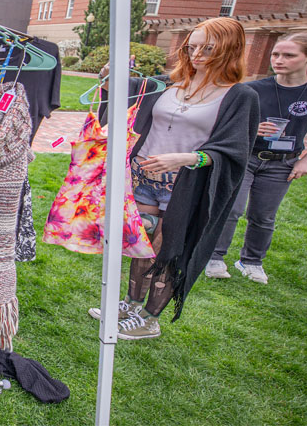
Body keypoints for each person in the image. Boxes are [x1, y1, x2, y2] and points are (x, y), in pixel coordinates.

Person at [89, 17, 258, 340]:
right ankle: (130, 304)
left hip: (184, 185)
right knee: (141, 247)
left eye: (207, 48)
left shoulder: (240, 96)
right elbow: (119, 95)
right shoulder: (166, 83)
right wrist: (108, 76)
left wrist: (186, 158)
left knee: (168, 250)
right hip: (144, 178)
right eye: (191, 47)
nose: (196, 55)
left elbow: (235, 150)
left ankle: (150, 318)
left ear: (229, 49)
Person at [207, 32, 307, 284]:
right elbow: (223, 123)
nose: (279, 60)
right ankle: (214, 257)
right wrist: (251, 128)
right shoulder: (251, 89)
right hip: (245, 157)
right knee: (231, 208)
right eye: (275, 54)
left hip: (283, 163)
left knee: (263, 216)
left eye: (288, 55)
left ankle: (251, 262)